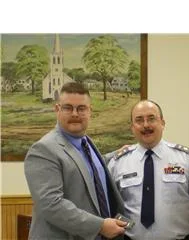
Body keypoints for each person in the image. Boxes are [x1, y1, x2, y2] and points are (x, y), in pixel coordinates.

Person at [24, 82, 127, 240]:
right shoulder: (43, 150)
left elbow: (85, 170)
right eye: (67, 108)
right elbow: (51, 204)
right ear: (57, 109)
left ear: (90, 111)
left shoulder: (86, 143)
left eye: (81, 108)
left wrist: (116, 153)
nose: (75, 114)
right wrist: (100, 226)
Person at [107, 100, 189, 240]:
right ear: (132, 127)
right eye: (139, 120)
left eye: (151, 119)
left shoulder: (186, 159)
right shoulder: (118, 163)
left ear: (162, 123)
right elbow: (107, 207)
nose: (146, 125)